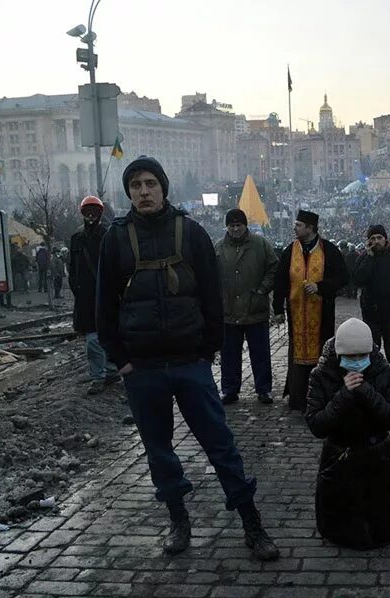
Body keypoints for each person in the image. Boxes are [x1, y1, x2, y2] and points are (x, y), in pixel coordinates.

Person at [96, 156, 279, 560]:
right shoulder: (116, 238)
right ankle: (178, 520)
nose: (143, 192)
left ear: (163, 187)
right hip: (142, 369)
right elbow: (103, 304)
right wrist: (120, 359)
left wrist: (206, 350)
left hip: (188, 363)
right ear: (129, 193)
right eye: (136, 186)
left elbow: (212, 298)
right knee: (159, 451)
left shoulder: (191, 233)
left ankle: (252, 523)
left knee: (221, 446)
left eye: (150, 184)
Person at [306, 317, 390, 549]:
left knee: (382, 523)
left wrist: (367, 392)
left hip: (378, 454)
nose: (356, 362)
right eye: (350, 358)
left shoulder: (384, 371)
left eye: (361, 357)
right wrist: (344, 395)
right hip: (340, 456)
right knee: (341, 525)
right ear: (339, 355)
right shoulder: (321, 375)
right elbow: (316, 424)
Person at [272, 210, 349, 411]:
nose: (294, 227)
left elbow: (343, 278)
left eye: (298, 225)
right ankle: (298, 397)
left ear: (310, 228)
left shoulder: (328, 250)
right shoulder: (290, 251)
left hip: (321, 314)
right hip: (296, 313)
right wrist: (278, 308)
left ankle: (320, 396)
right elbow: (280, 280)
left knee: (322, 353)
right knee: (297, 353)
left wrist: (320, 287)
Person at [215, 208, 279, 405]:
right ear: (227, 226)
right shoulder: (218, 247)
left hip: (255, 309)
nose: (235, 229)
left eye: (239, 225)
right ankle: (230, 389)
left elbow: (273, 268)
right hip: (229, 311)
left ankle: (264, 389)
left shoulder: (260, 244)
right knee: (229, 355)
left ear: (245, 225)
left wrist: (262, 290)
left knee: (260, 353)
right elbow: (210, 274)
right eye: (232, 225)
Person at [70, 195, 118, 395]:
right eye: (87, 211)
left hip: (106, 294)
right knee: (92, 340)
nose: (90, 215)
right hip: (86, 297)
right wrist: (77, 289)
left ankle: (111, 370)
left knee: (108, 335)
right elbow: (72, 268)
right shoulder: (77, 238)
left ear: (100, 213)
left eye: (94, 211)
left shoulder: (109, 236)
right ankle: (98, 375)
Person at [352, 224, 390, 379]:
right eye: (372, 238)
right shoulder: (364, 259)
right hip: (371, 317)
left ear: (385, 239)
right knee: (371, 355)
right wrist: (370, 258)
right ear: (368, 241)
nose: (376, 241)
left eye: (379, 237)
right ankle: (374, 387)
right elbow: (358, 280)